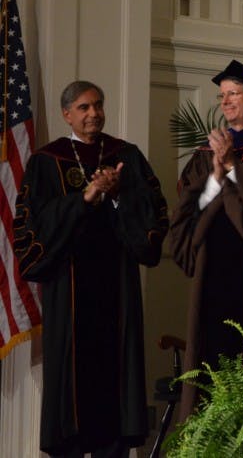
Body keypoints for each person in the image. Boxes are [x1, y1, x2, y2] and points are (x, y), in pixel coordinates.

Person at [12, 81, 168, 457]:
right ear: (67, 114)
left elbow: (154, 218)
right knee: (71, 392)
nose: (93, 113)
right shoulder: (47, 162)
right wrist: (83, 198)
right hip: (69, 294)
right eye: (83, 107)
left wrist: (115, 196)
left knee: (115, 392)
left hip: (117, 291)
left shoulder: (125, 157)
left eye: (97, 105)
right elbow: (34, 228)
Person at [166, 59, 243, 418]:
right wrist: (217, 177)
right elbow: (190, 206)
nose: (226, 102)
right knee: (210, 347)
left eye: (234, 93)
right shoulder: (208, 150)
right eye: (222, 96)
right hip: (212, 265)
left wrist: (234, 166)